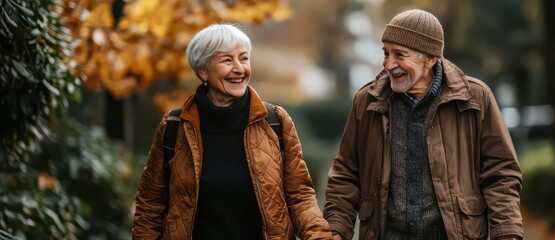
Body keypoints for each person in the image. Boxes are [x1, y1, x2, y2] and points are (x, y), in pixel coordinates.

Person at [324, 9, 523, 240]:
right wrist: (335, 231)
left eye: (399, 54)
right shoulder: (366, 101)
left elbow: (501, 174)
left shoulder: (475, 99)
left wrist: (506, 233)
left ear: (429, 58)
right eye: (386, 53)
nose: (388, 64)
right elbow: (345, 175)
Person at [132, 23, 332, 240]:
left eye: (244, 58)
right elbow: (150, 205)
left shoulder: (275, 121)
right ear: (203, 70)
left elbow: (300, 197)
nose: (239, 68)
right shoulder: (174, 126)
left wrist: (319, 236)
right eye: (227, 60)